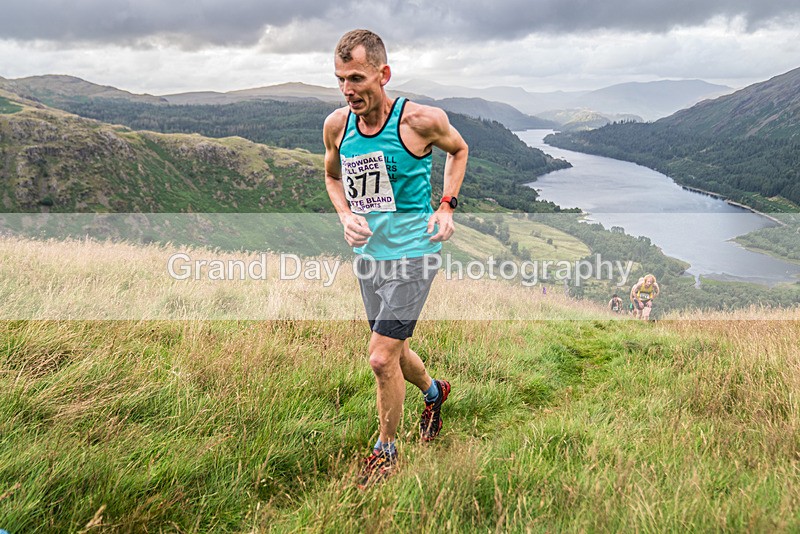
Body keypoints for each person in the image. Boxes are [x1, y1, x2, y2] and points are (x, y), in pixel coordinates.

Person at [322, 29, 468, 488]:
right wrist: (345, 216)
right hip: (370, 257)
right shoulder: (336, 126)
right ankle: (434, 392)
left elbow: (459, 150)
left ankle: (386, 452)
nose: (348, 90)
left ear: (383, 74)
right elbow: (331, 178)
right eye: (341, 79)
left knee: (380, 358)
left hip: (414, 255)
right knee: (396, 349)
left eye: (357, 78)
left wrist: (447, 205)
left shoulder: (419, 120)